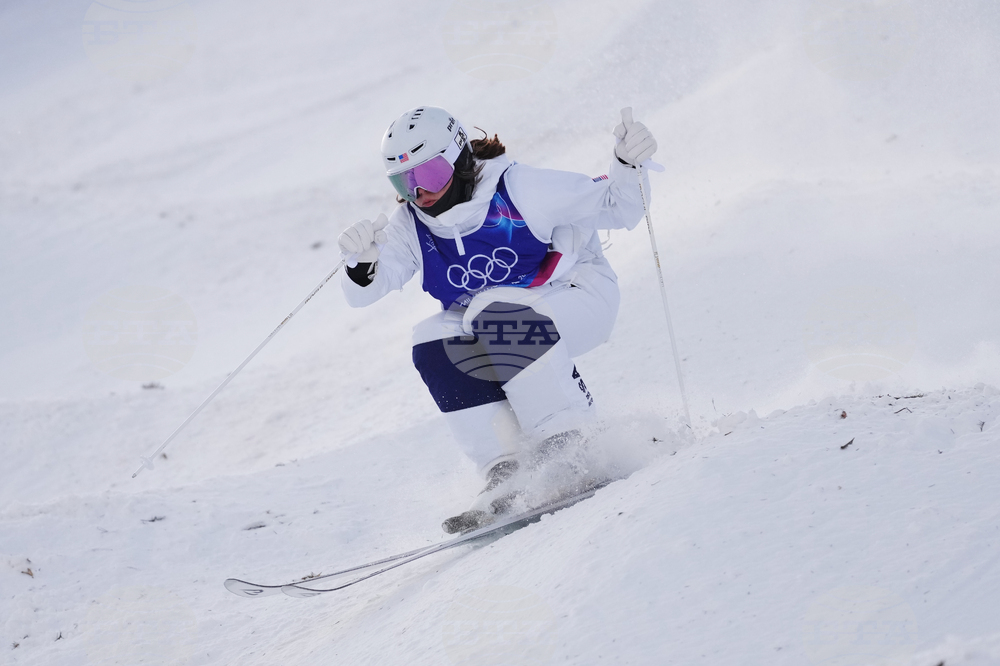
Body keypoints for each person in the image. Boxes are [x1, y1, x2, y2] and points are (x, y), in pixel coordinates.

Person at [338, 105, 657, 532]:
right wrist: (361, 263)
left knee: (494, 311)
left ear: (457, 159)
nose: (420, 192)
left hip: (578, 298)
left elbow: (620, 207)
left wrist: (627, 164)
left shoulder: (520, 188)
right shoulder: (410, 225)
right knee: (432, 339)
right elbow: (365, 292)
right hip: (499, 324)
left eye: (429, 174)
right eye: (404, 181)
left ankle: (569, 442)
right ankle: (505, 468)